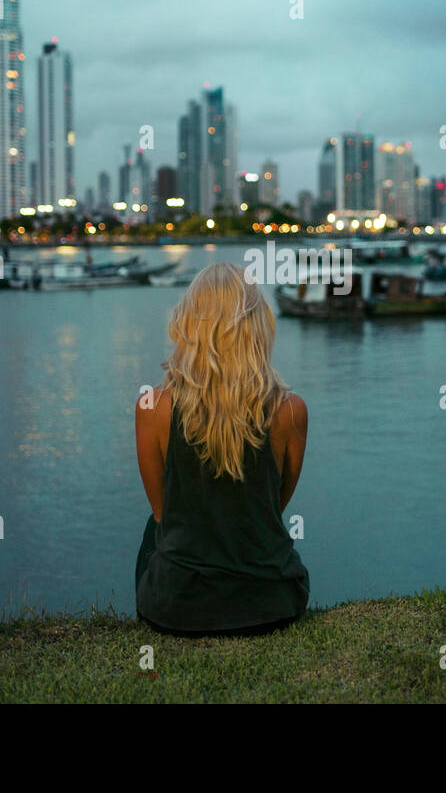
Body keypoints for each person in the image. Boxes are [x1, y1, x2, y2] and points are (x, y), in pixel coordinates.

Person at [134, 262, 310, 636]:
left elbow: (162, 511)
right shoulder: (290, 410)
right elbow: (273, 505)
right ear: (258, 325)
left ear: (189, 323)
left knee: (155, 528)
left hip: (176, 610)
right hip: (274, 603)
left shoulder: (153, 406)